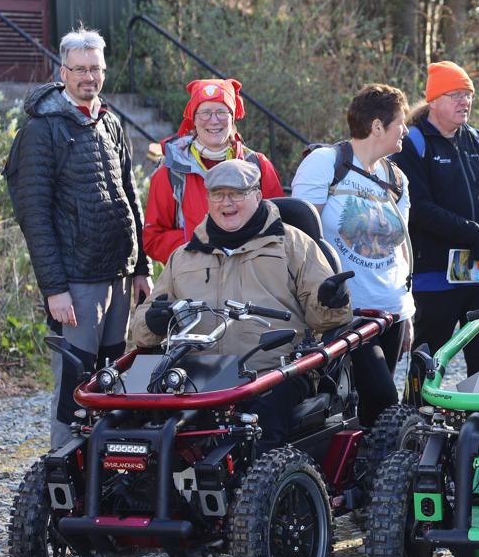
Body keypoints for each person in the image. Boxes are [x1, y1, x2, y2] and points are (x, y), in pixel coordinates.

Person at [130, 160, 353, 453]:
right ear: (207, 199)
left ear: (258, 195)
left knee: (258, 433)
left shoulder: (293, 244)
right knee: (133, 432)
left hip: (273, 374)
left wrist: (330, 300)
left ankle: (255, 497)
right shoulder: (184, 256)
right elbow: (141, 331)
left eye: (237, 194)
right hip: (196, 378)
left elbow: (326, 319)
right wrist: (154, 322)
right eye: (218, 194)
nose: (227, 203)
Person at [5, 28, 151, 449]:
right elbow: (34, 216)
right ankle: (60, 489)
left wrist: (141, 266)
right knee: (75, 390)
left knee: (112, 380)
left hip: (120, 278)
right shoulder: (42, 129)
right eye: (81, 69)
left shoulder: (109, 120)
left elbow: (129, 193)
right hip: (76, 284)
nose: (89, 77)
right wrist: (55, 290)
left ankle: (103, 477)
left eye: (97, 69)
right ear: (63, 71)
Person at [292, 84, 414, 428]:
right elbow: (301, 239)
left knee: (374, 417)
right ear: (377, 126)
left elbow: (401, 247)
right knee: (383, 401)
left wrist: (409, 312)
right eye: (400, 123)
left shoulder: (396, 178)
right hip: (348, 314)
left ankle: (367, 479)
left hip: (392, 311)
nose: (405, 129)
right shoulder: (326, 164)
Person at [391, 61, 479, 375]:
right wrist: (475, 234)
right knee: (428, 360)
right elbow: (419, 208)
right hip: (434, 276)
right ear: (433, 101)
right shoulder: (413, 143)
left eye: (468, 95)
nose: (464, 102)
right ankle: (416, 419)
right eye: (455, 94)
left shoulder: (478, 141)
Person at [143, 78, 283, 264]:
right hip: (194, 280)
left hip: (250, 279)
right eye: (205, 113)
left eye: (221, 112)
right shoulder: (170, 172)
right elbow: (153, 237)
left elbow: (280, 226)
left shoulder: (257, 166)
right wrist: (200, 247)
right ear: (193, 118)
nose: (214, 120)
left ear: (232, 116)